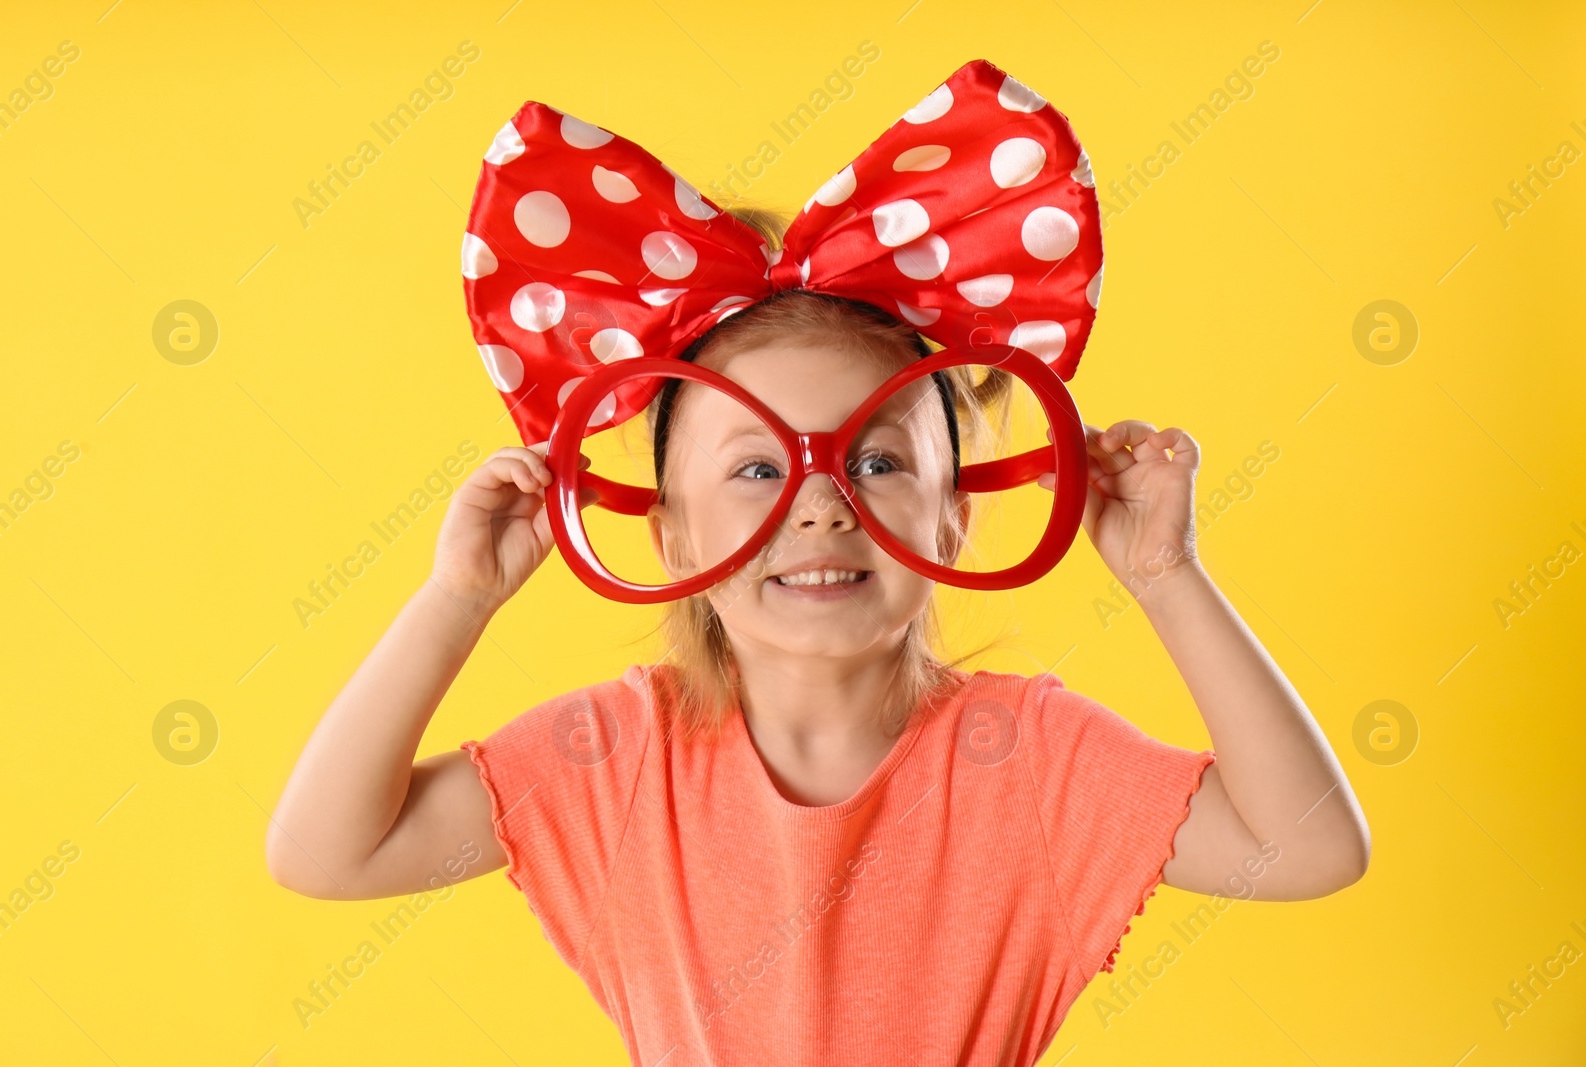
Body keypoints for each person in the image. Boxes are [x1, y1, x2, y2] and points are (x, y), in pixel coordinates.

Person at [266, 65, 1369, 1065]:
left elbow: (1307, 843)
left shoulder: (1030, 757)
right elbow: (325, 850)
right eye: (755, 469)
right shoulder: (613, 760)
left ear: (951, 515)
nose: (821, 504)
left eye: (877, 457)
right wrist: (454, 601)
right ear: (673, 535)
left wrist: (1168, 575)